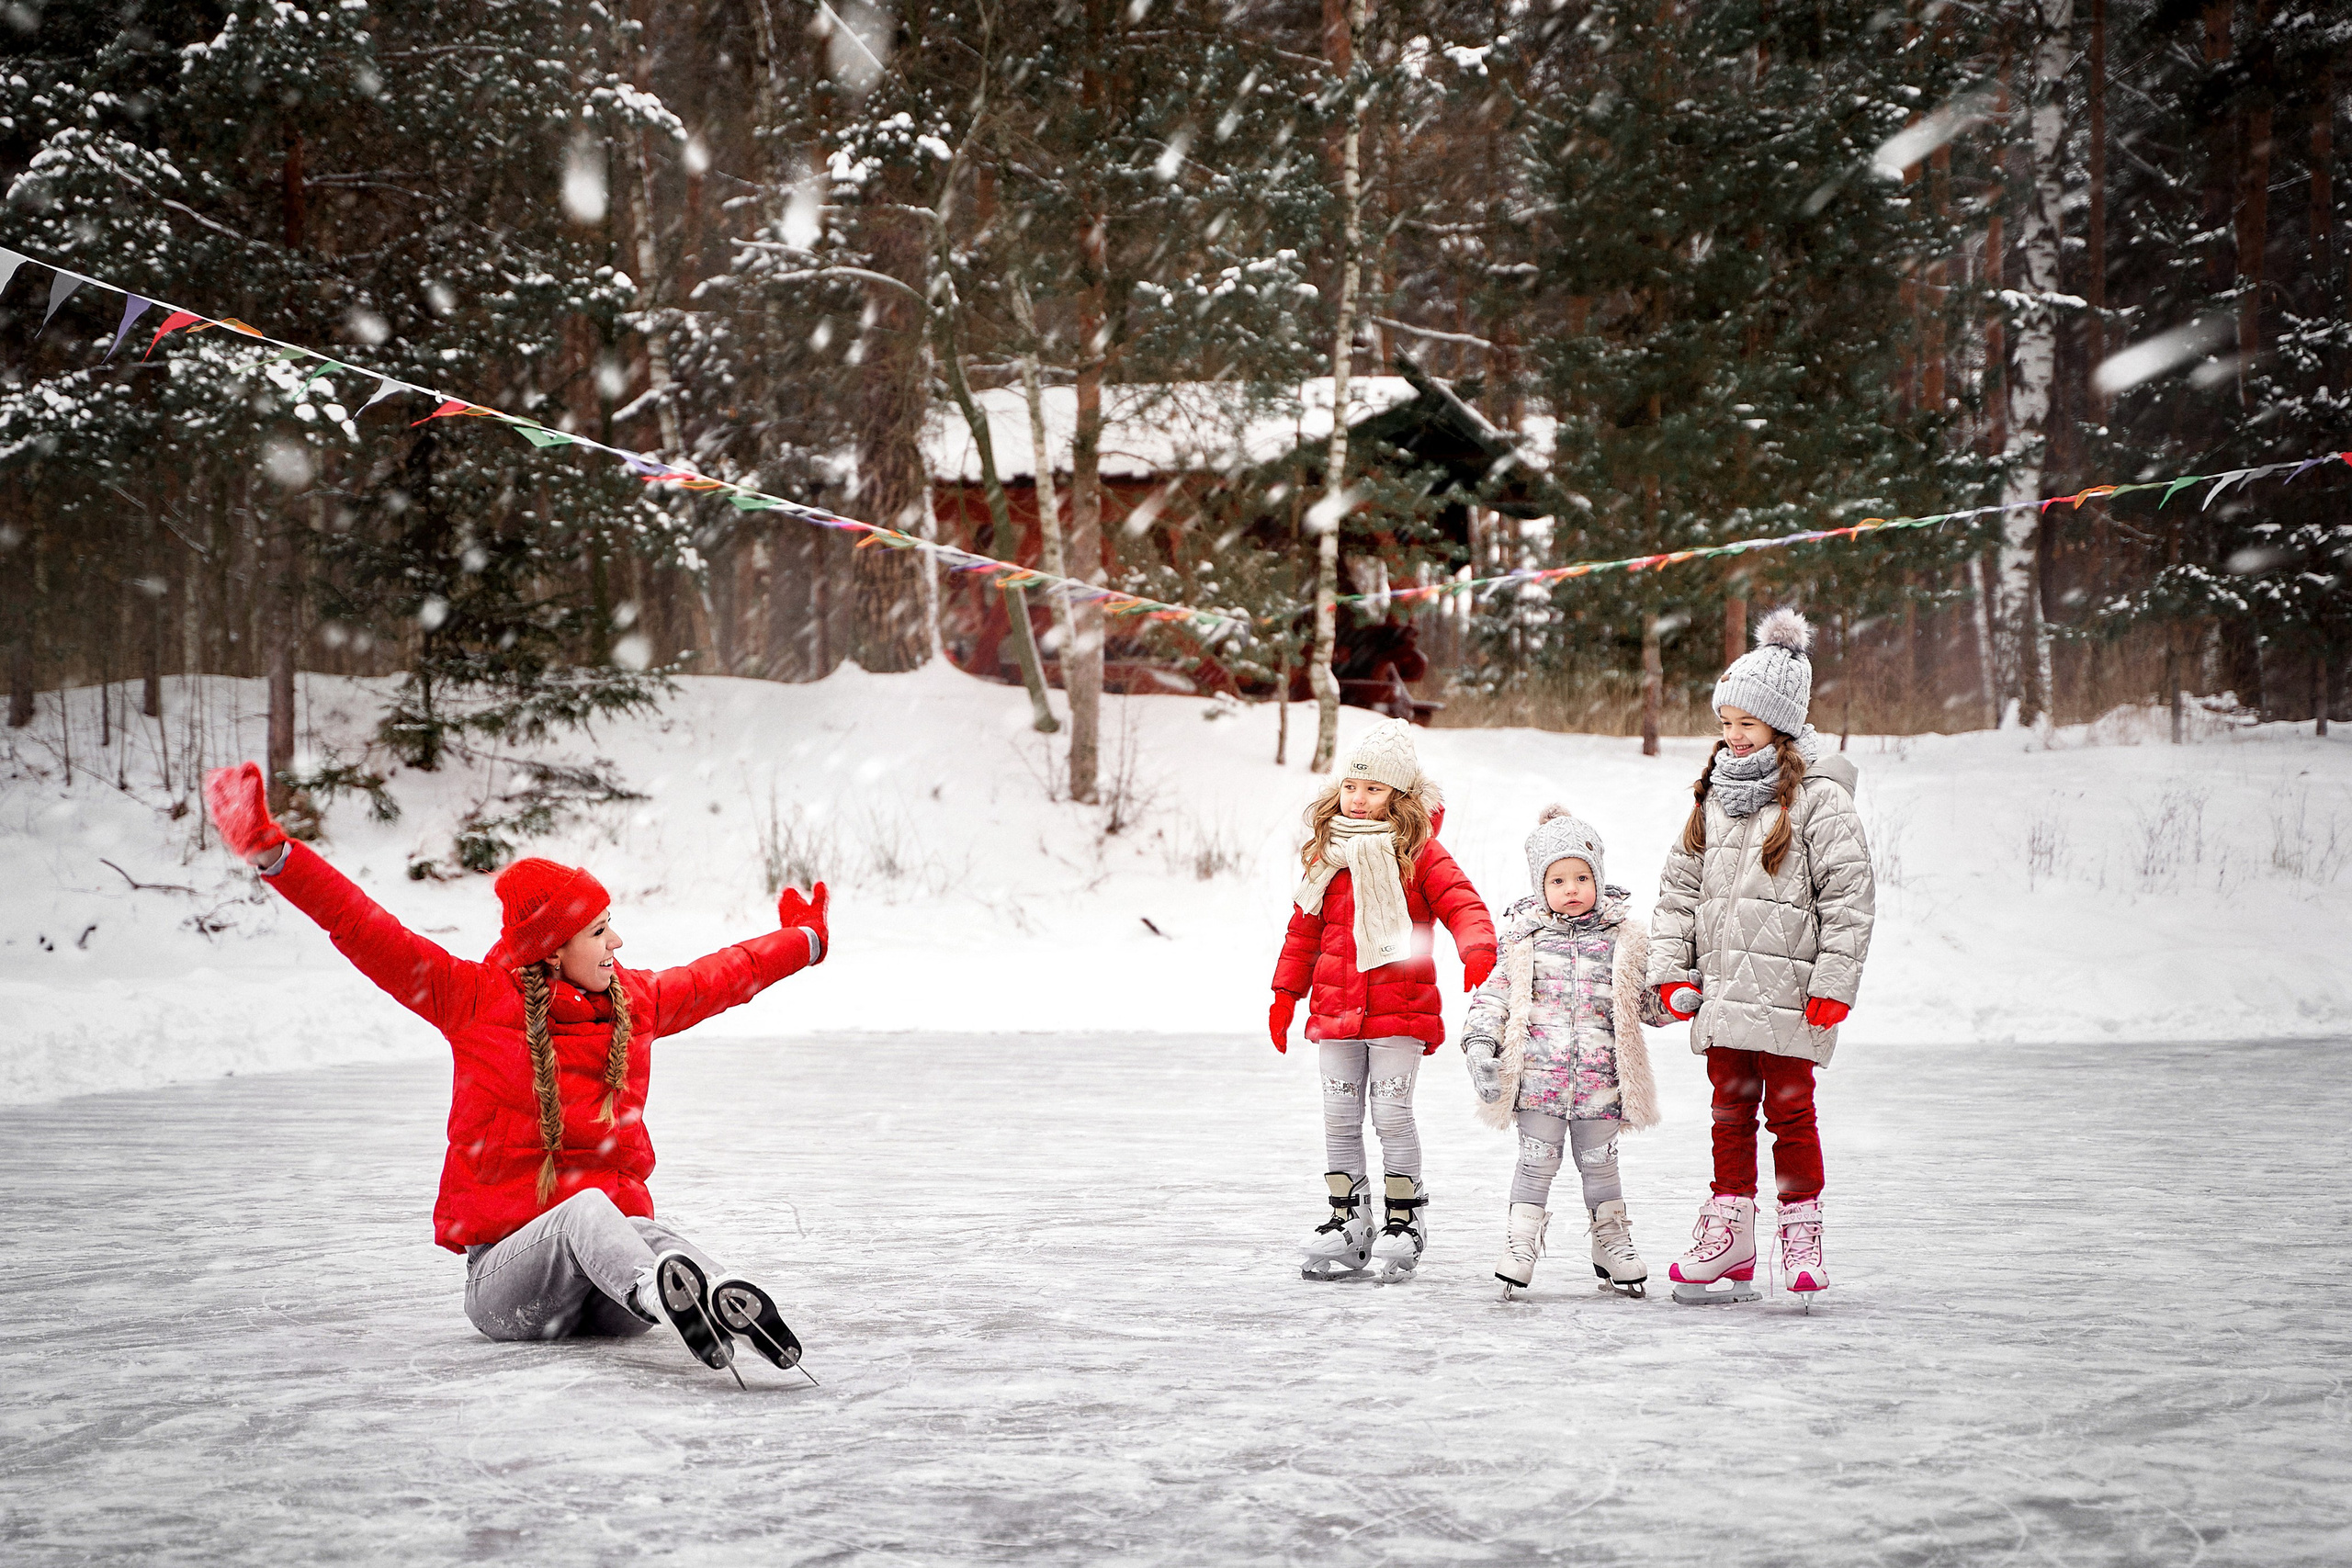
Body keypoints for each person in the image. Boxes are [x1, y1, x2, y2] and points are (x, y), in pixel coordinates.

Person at [201, 761, 828, 1378]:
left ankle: (716, 1296)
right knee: (586, 1211)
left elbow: (728, 973)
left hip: (604, 1298)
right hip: (511, 1289)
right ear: (552, 949)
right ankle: (660, 1292)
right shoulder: (470, 999)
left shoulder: (635, 1002)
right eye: (599, 931)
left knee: (643, 1227)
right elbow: (363, 926)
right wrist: (274, 854)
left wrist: (806, 940)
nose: (617, 944)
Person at [1647, 609, 1875, 1306]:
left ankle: (1801, 1232)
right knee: (1728, 1114)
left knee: (1791, 1113)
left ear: (1782, 723)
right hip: (1722, 997)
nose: (1733, 735)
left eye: (1747, 722)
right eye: (1726, 722)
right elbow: (1677, 893)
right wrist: (1672, 972)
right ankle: (1732, 1233)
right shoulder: (1712, 798)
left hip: (1790, 996)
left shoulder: (1819, 801)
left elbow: (1850, 897)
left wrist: (1835, 982)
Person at [1268, 720, 1496, 1281]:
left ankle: (1405, 1221)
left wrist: (1477, 947)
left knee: (1392, 1114)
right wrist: (1284, 994)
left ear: (1399, 795)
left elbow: (1463, 903)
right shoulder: (1329, 857)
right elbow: (1303, 932)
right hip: (1334, 1012)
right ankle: (1348, 1222)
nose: (1359, 799)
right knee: (1339, 1119)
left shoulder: (1418, 853)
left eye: (1373, 789)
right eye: (1351, 787)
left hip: (1400, 1010)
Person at [1461, 806, 1671, 1299]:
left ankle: (1611, 1240)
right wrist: (1479, 1043)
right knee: (1535, 1163)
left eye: (1581, 877)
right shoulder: (1522, 940)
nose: (1571, 889)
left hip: (1602, 1084)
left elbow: (1645, 1003)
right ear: (1541, 886)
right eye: (1557, 880)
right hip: (1537, 1081)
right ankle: (1520, 1242)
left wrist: (1674, 1000)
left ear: (1599, 877)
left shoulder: (1623, 940)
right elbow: (1494, 996)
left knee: (1601, 1167)